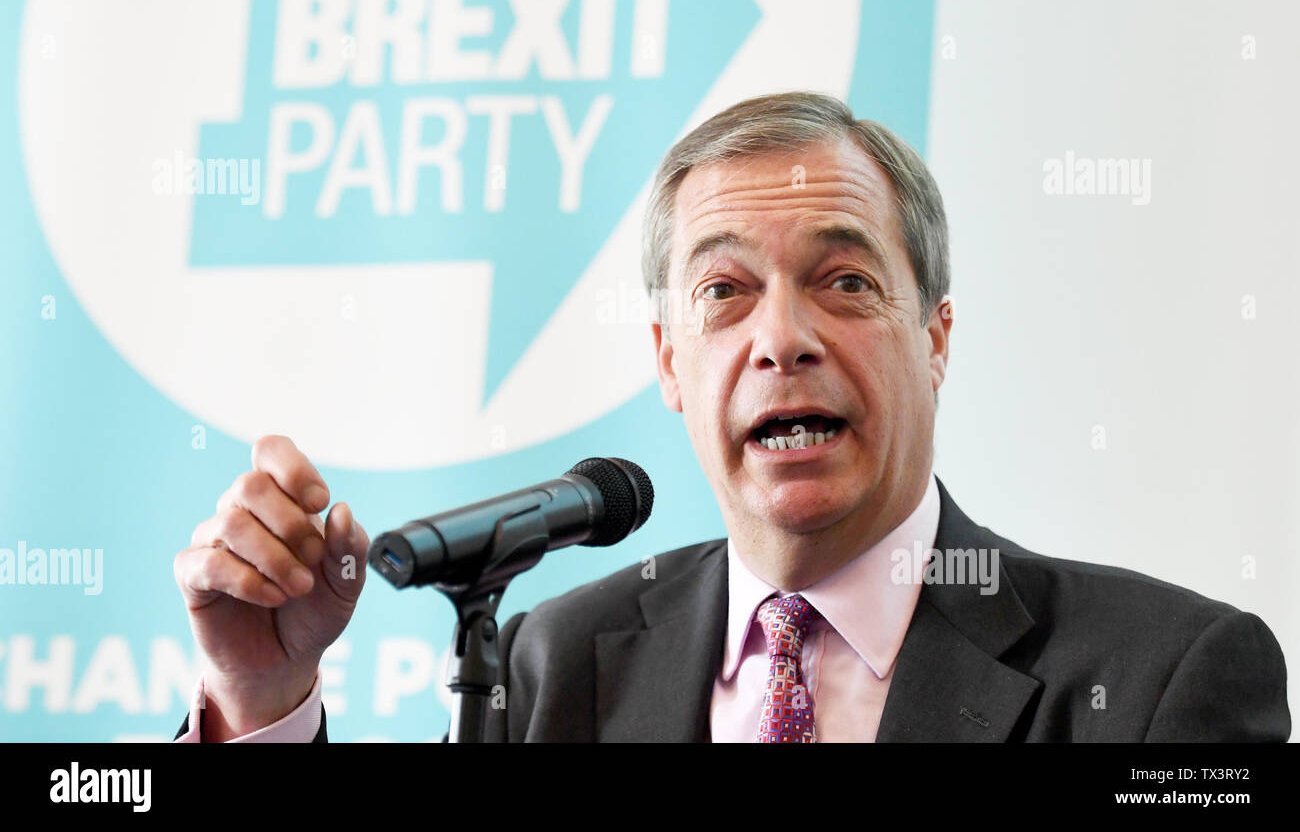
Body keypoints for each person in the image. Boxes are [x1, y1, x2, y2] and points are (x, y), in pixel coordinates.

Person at [173, 91, 1290, 742]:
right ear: (668, 359)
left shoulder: (1162, 679)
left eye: (845, 282)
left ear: (935, 335)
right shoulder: (550, 670)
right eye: (724, 292)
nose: (782, 338)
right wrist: (259, 699)